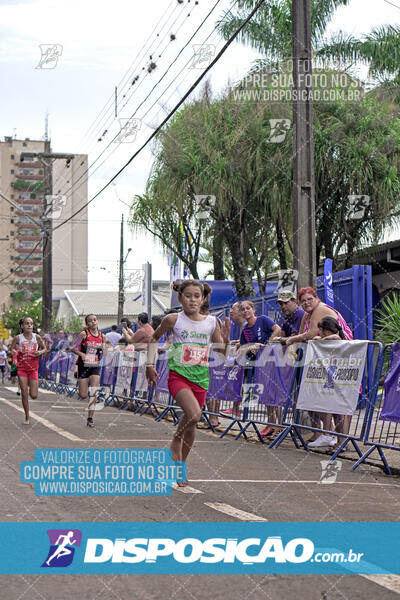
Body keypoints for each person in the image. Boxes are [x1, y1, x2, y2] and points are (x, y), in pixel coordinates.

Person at [145, 280, 230, 486]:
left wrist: (226, 341)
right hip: (178, 375)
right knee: (194, 415)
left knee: (191, 425)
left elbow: (222, 354)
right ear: (180, 298)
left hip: (201, 377)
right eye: (188, 296)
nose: (192, 300)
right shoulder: (173, 319)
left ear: (202, 299)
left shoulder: (211, 322)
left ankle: (180, 467)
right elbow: (154, 338)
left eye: (196, 296)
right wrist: (149, 364)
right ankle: (175, 439)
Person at [70, 314, 110, 428]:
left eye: (95, 320)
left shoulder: (102, 336)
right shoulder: (84, 334)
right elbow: (73, 348)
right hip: (83, 366)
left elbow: (105, 354)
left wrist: (105, 347)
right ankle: (83, 388)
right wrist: (82, 354)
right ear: (87, 324)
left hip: (95, 365)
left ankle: (90, 418)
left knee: (94, 391)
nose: (93, 322)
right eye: (90, 321)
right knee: (83, 395)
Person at [10, 317, 46, 424]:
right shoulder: (18, 338)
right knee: (24, 393)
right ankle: (27, 417)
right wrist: (14, 353)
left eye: (31, 323)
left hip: (33, 369)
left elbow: (44, 348)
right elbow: (11, 348)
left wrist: (39, 352)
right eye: (26, 323)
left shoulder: (37, 337)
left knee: (34, 395)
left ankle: (31, 388)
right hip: (22, 369)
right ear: (22, 326)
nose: (29, 325)